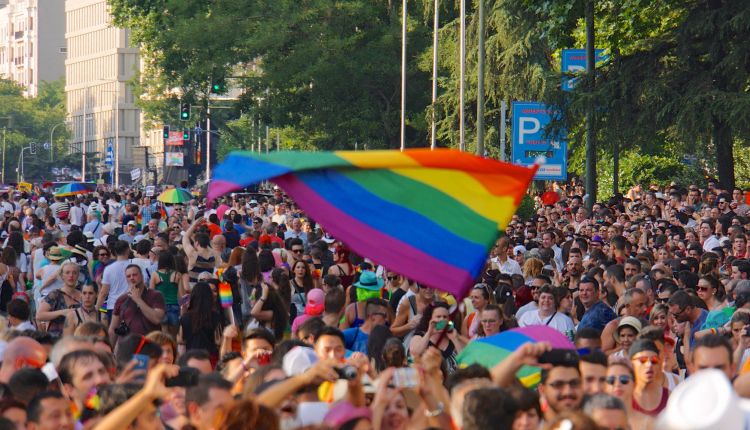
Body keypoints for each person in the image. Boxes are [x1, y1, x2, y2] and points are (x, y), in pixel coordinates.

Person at [109, 264, 166, 345]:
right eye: (128, 276)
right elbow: (113, 328)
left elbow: (156, 319)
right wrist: (109, 350)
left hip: (151, 345)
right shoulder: (121, 299)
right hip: (128, 347)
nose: (132, 278)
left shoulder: (156, 295)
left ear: (142, 276)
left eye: (134, 275)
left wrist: (138, 299)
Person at [409, 302, 466, 374]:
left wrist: (454, 339)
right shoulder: (420, 336)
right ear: (430, 319)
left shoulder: (453, 337)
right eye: (438, 317)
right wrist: (429, 333)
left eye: (445, 317)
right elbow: (415, 353)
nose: (442, 319)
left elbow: (465, 360)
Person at [629, 338, 669, 417]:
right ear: (631, 364)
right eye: (643, 360)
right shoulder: (624, 396)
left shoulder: (670, 397)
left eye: (654, 360)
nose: (649, 365)